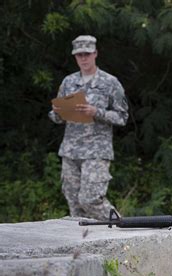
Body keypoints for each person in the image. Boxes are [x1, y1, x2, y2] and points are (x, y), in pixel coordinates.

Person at [48, 35, 128, 220]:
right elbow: (56, 117)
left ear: (95, 54)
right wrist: (58, 112)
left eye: (87, 54)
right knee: (75, 204)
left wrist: (96, 112)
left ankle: (123, 227)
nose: (83, 58)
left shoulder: (110, 82)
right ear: (75, 57)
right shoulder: (68, 82)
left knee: (90, 199)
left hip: (97, 151)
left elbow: (122, 117)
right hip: (70, 150)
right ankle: (84, 245)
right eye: (79, 55)